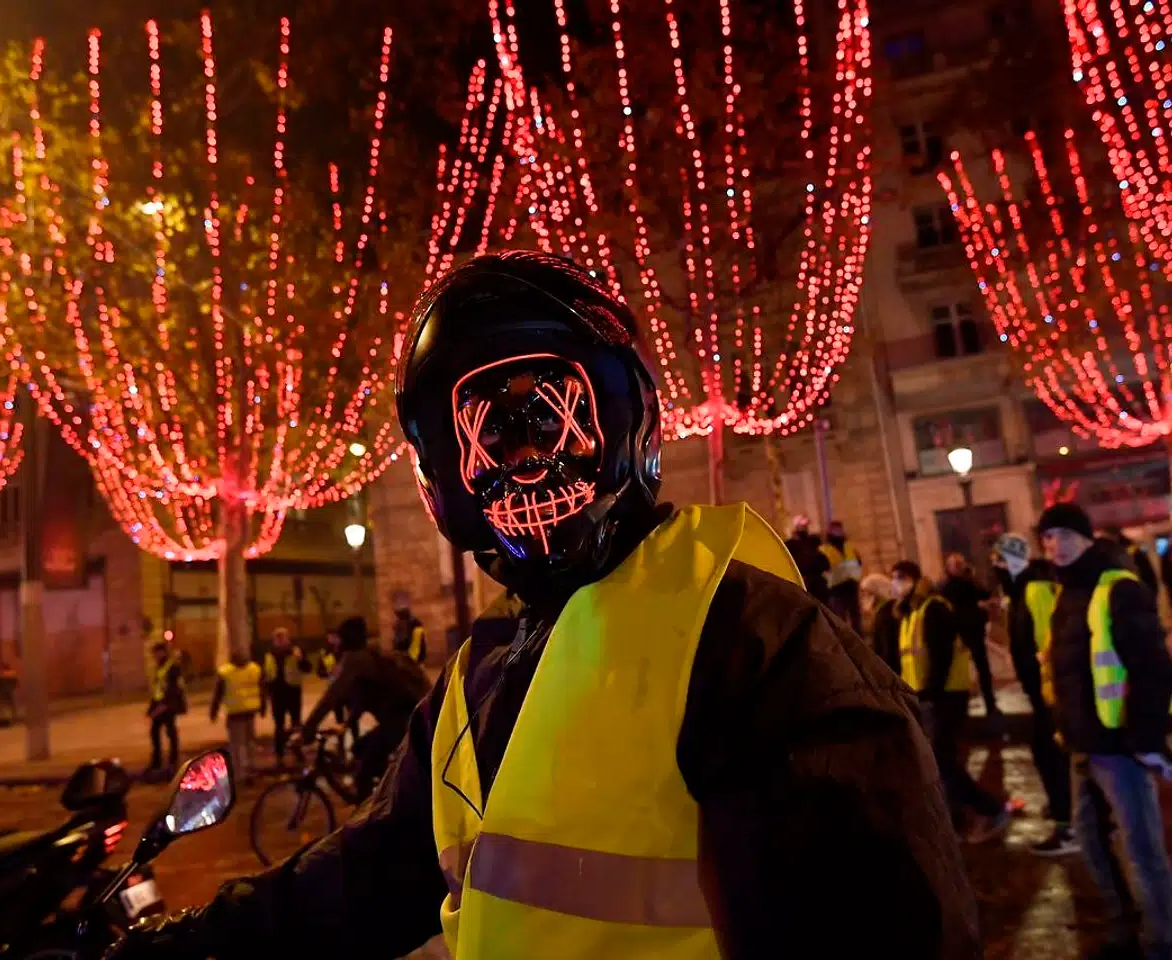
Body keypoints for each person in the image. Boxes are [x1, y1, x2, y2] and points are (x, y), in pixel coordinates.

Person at [108, 252, 976, 959]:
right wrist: (196, 943)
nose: (524, 461)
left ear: (625, 417)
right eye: (488, 433)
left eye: (547, 419)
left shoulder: (758, 646)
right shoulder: (480, 673)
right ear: (441, 473)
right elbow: (370, 874)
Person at [1039, 503, 1172, 960]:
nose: (1054, 545)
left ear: (1086, 537)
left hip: (1120, 746)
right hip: (1082, 743)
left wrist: (1146, 740)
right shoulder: (1066, 593)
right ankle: (1123, 930)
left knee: (1141, 850)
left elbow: (1153, 668)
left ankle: (1161, 941)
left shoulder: (1117, 586)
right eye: (1048, 538)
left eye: (1062, 535)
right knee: (1094, 846)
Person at [890, 560, 1009, 843]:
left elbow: (940, 656)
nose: (895, 583)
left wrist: (930, 693)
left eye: (900, 578)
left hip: (944, 698)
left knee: (941, 762)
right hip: (927, 698)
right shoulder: (911, 612)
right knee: (938, 763)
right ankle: (954, 824)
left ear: (914, 579)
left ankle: (990, 810)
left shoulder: (933, 608)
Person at [992, 533, 1077, 856]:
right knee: (1050, 754)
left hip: (1050, 693)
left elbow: (1048, 644)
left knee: (1051, 755)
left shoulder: (1034, 591)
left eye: (1000, 561)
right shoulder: (1020, 591)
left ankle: (1068, 823)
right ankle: (1070, 815)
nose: (996, 569)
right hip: (1041, 692)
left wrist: (1051, 692)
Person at [299, 615, 430, 802]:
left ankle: (371, 817)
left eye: (339, 638)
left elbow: (331, 696)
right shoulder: (369, 654)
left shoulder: (355, 659)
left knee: (365, 771)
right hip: (404, 716)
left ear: (345, 639)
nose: (335, 643)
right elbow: (365, 697)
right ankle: (386, 791)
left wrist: (307, 730)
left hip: (405, 718)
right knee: (359, 747)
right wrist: (347, 724)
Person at [939, 552, 1002, 724]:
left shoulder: (969, 582)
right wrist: (976, 606)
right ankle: (961, 708)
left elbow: (984, 594)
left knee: (983, 669)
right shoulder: (945, 587)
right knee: (959, 672)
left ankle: (991, 704)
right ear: (948, 567)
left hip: (974, 631)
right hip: (957, 633)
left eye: (960, 564)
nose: (958, 567)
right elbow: (953, 608)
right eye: (955, 565)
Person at [211, 649, 263, 784]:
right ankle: (251, 768)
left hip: (235, 713)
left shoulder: (225, 672)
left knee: (237, 745)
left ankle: (240, 773)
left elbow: (218, 694)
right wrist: (263, 706)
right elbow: (261, 688)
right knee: (249, 742)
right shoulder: (254, 669)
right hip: (250, 711)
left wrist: (214, 711)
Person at [262, 627, 311, 767]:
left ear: (288, 639)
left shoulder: (296, 652)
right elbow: (266, 674)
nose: (281, 640)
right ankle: (280, 755)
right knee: (279, 725)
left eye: (283, 637)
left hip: (293, 692)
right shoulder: (269, 654)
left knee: (296, 723)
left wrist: (300, 659)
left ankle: (297, 751)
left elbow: (307, 668)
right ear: (274, 640)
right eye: (278, 638)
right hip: (277, 694)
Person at [146, 641, 187, 776]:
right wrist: (151, 708)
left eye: (157, 653)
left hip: (168, 705)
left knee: (170, 732)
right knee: (156, 731)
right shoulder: (160, 667)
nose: (155, 656)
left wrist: (164, 705)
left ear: (163, 652)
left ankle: (172, 761)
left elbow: (174, 688)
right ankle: (159, 760)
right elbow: (158, 688)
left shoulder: (172, 667)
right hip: (161, 703)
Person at [819, 519, 864, 633]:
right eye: (835, 529)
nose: (838, 531)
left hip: (852, 586)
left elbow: (858, 562)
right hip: (836, 589)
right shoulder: (824, 550)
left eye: (839, 529)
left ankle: (858, 639)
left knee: (856, 618)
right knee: (839, 618)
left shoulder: (849, 547)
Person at [784, 514, 831, 604]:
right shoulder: (790, 545)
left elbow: (824, 561)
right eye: (802, 526)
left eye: (805, 526)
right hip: (802, 582)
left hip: (818, 584)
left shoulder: (813, 543)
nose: (804, 528)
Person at [390, 592, 428, 664]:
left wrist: (410, 661)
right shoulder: (399, 625)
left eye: (399, 614)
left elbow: (417, 646)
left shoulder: (415, 624)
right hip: (406, 660)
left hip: (411, 661)